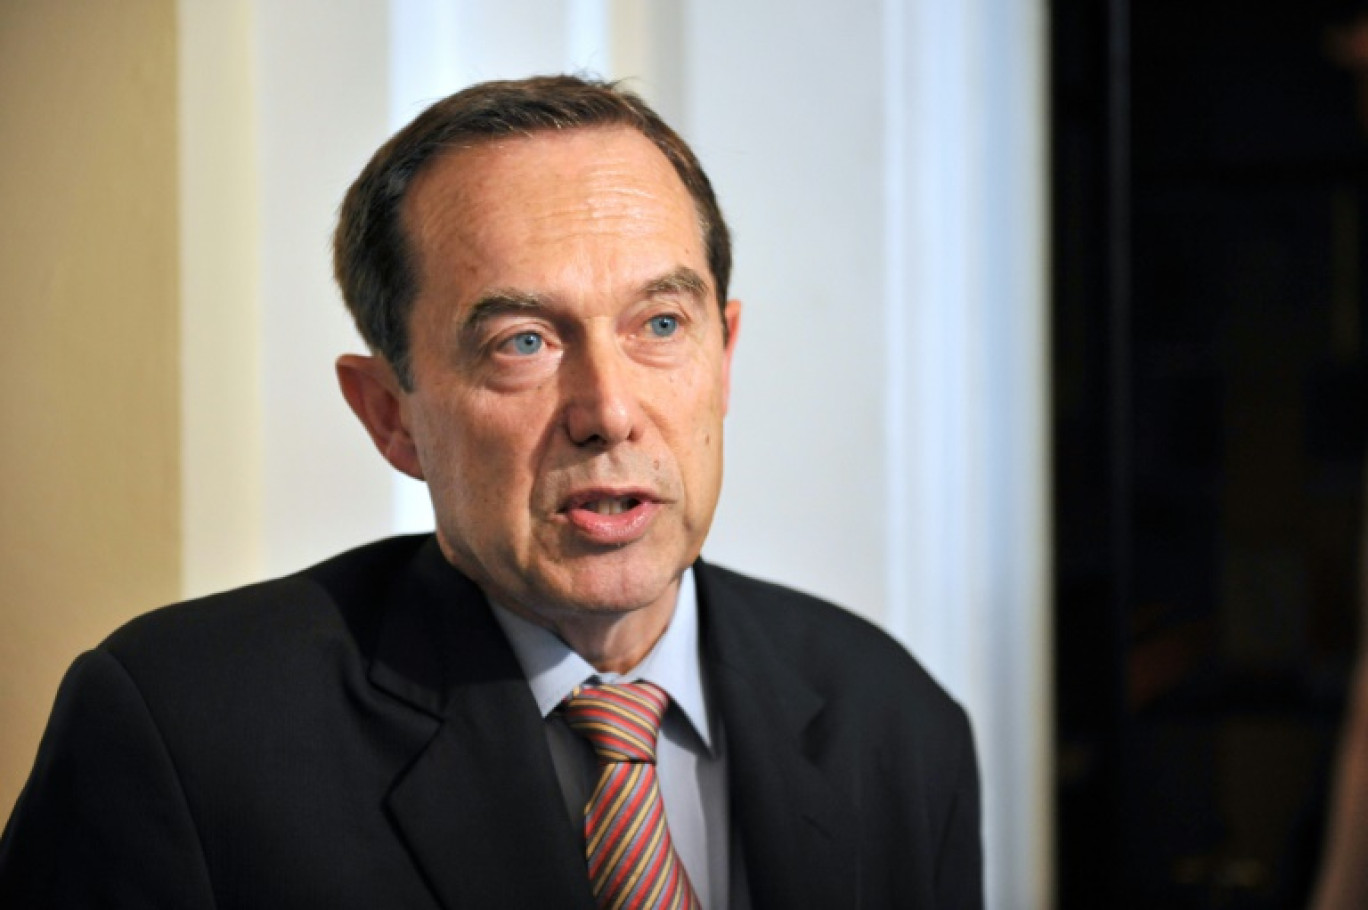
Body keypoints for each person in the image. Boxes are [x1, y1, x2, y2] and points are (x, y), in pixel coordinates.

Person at [0, 75, 982, 908]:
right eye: (524, 342)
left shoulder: (894, 723)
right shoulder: (181, 732)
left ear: (726, 359)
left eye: (661, 324)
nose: (608, 410)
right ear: (391, 414)